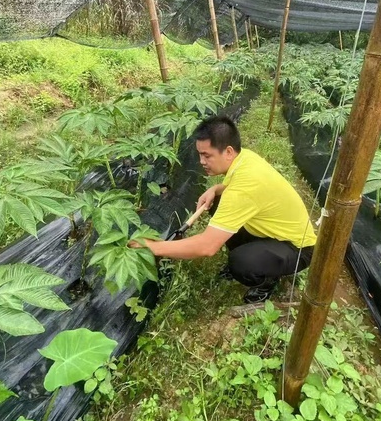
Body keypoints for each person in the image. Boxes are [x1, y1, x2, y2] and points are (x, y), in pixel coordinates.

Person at [130, 115, 316, 303]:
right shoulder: (244, 158)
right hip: (274, 233)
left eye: (207, 155)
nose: (201, 161)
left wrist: (155, 247)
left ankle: (266, 281)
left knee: (241, 262)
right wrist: (215, 189)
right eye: (200, 155)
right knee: (219, 200)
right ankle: (258, 254)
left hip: (298, 248)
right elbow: (231, 189)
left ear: (228, 151)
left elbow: (207, 247)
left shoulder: (246, 184)